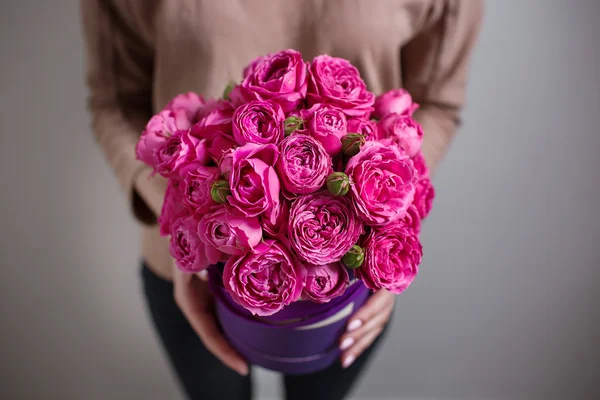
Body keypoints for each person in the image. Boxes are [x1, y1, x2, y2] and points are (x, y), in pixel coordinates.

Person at [81, 1, 482, 399]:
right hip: (188, 276)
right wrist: (192, 227)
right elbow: (115, 104)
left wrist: (386, 221)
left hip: (349, 282)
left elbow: (438, 102)